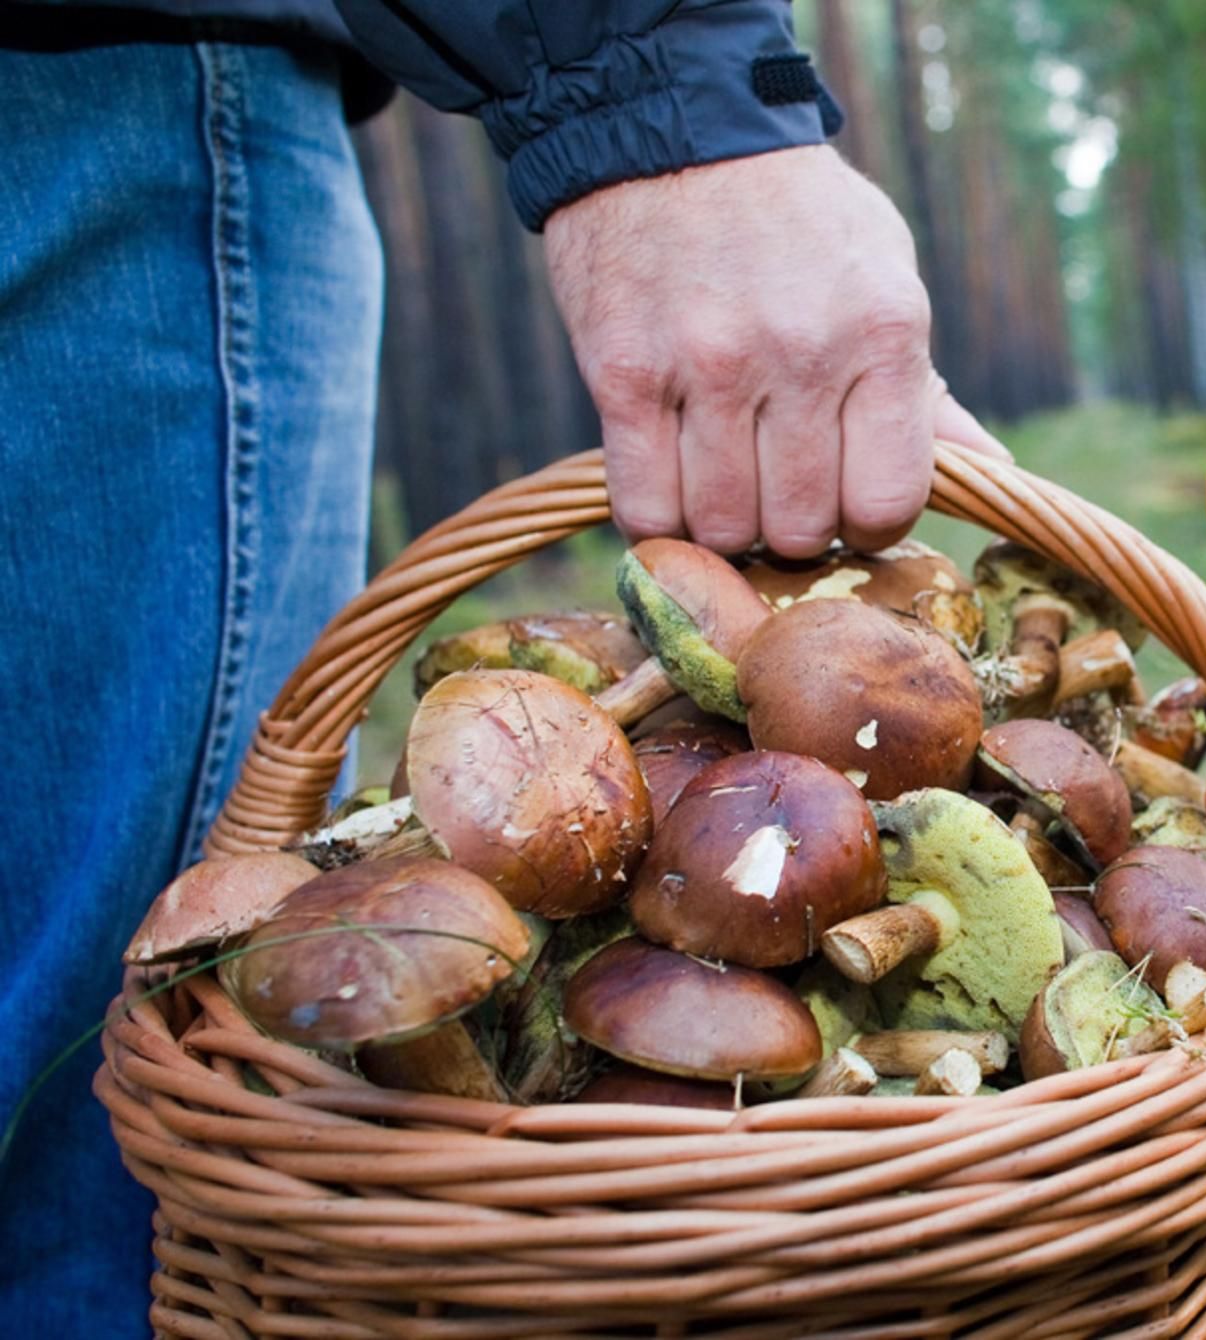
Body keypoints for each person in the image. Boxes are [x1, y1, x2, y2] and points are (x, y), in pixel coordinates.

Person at [0, 1, 1004, 1330]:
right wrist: (666, 102)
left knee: (88, 1155)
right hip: (112, 104)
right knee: (146, 1113)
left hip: (97, 82)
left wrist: (657, 99)